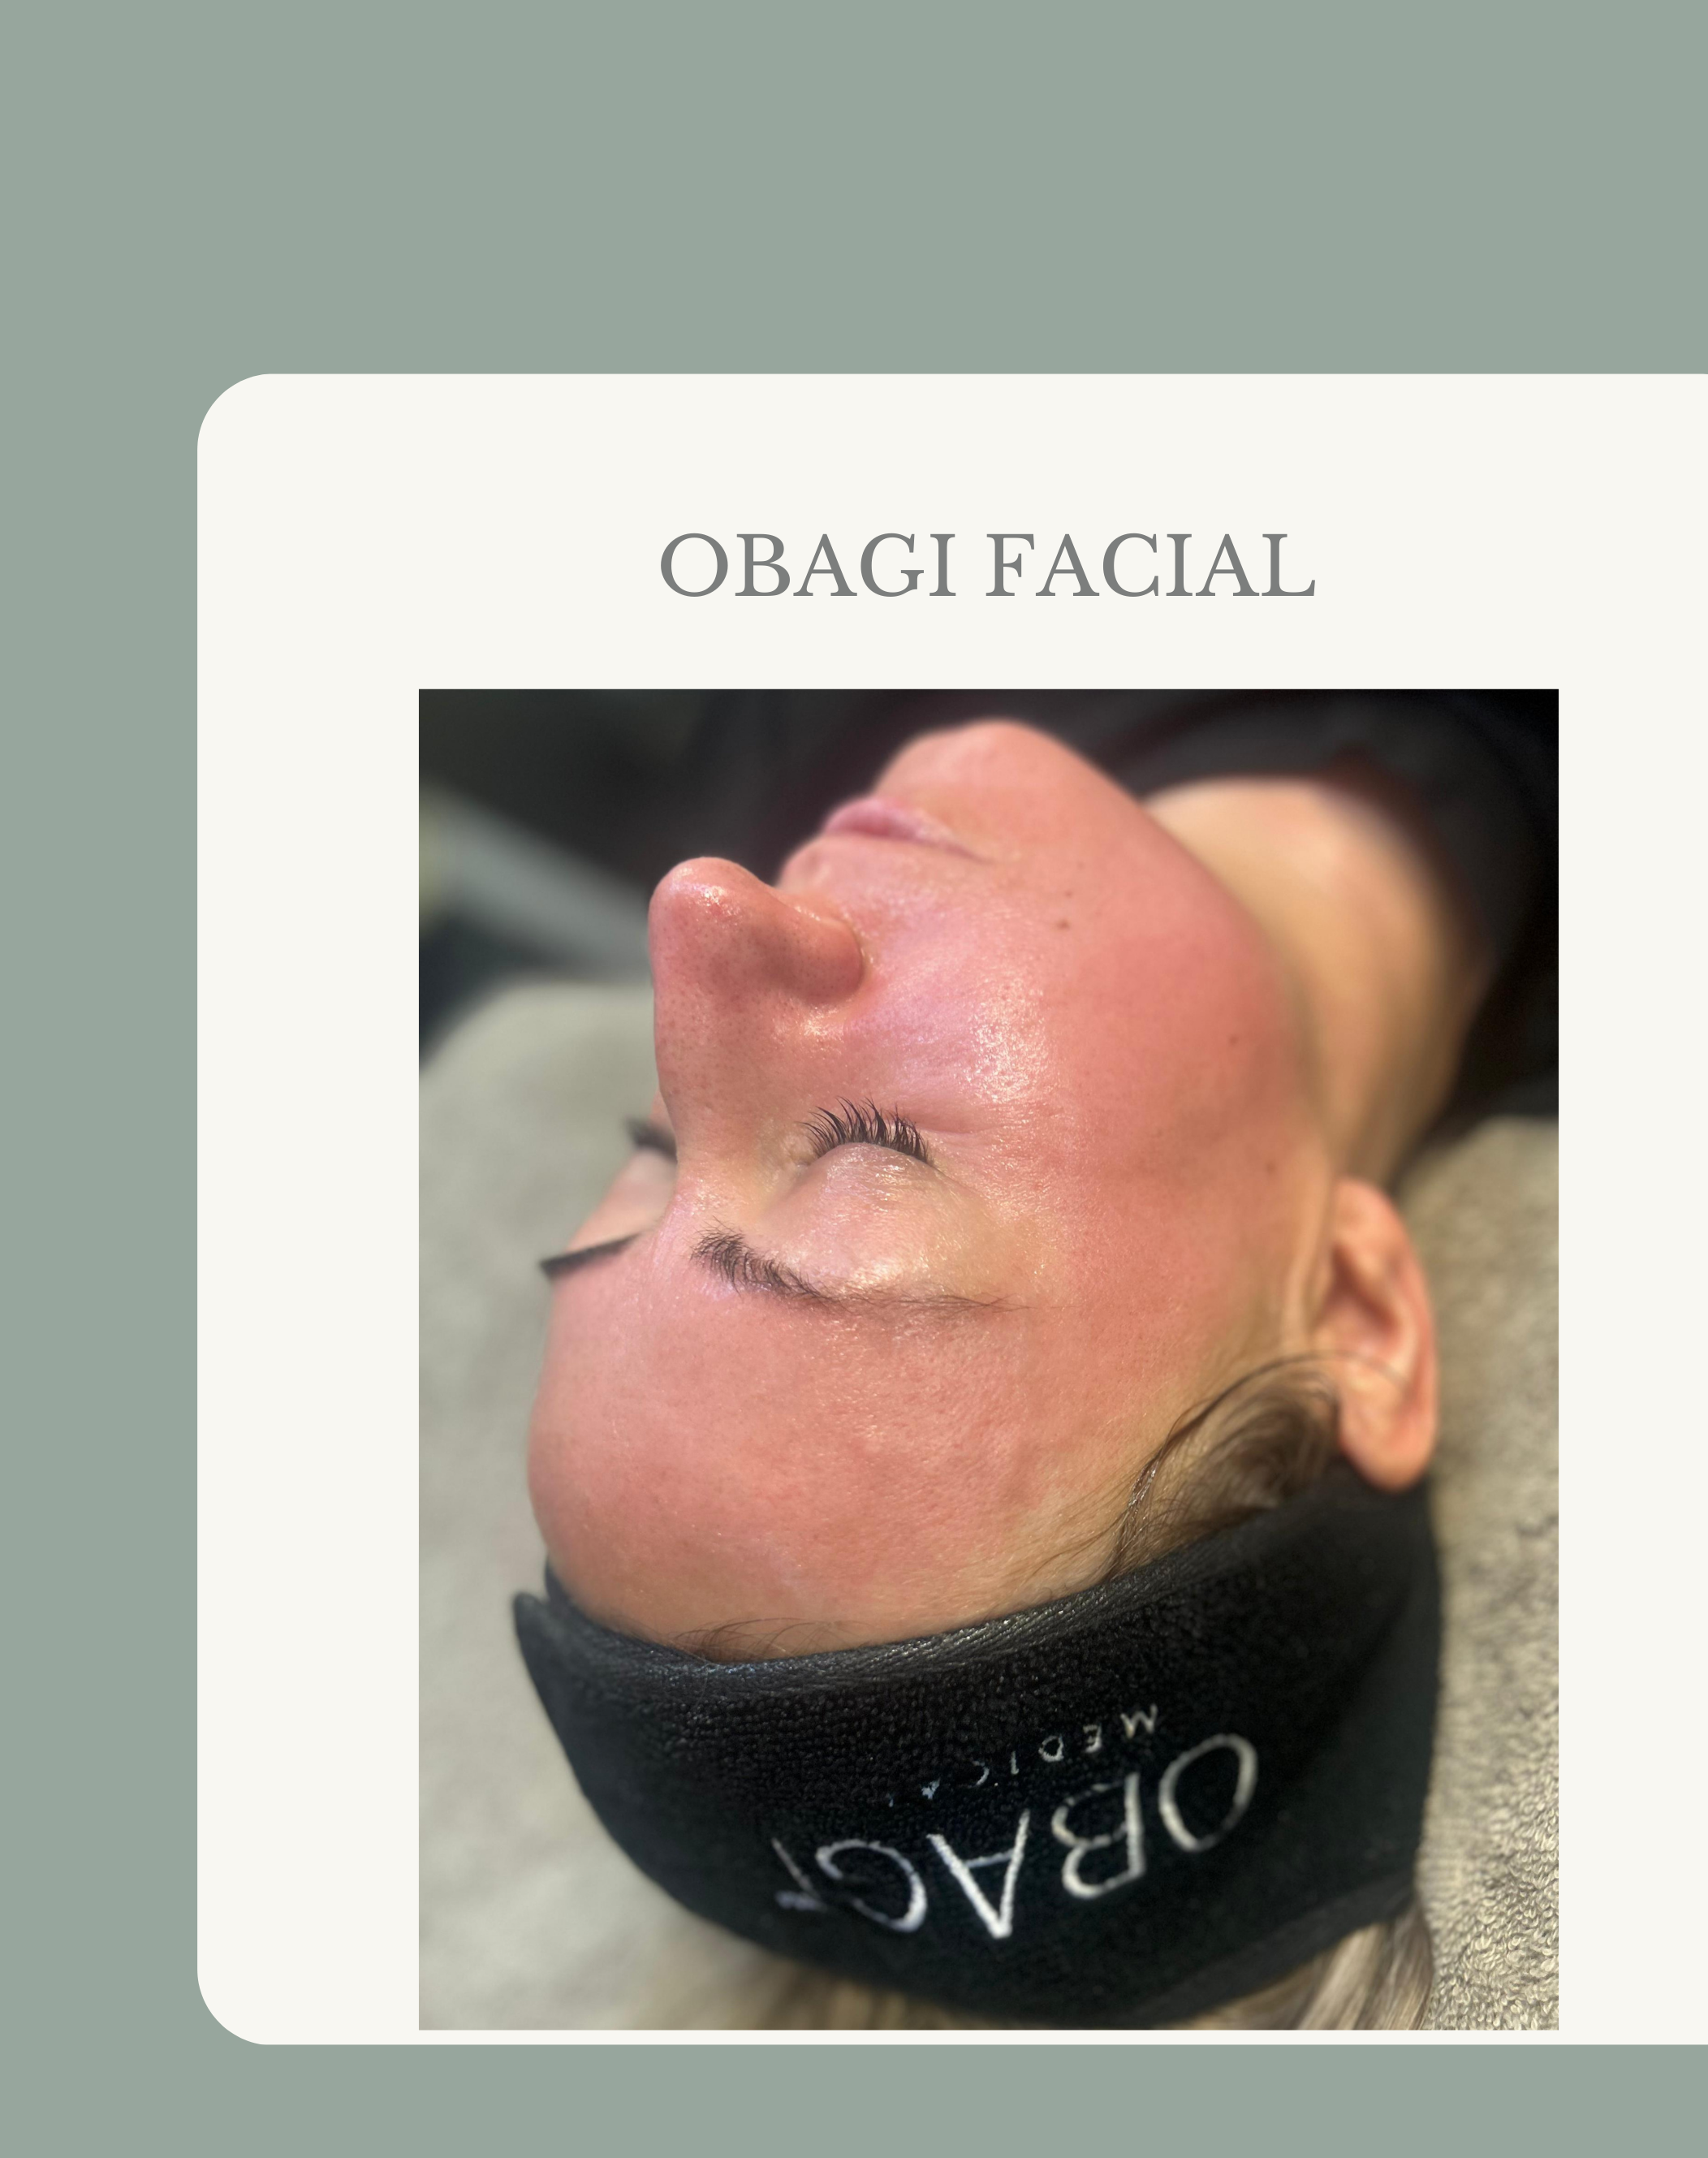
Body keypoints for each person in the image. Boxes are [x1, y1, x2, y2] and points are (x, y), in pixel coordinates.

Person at [516, 694, 1556, 2030]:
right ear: (1358, 1317)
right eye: (866, 1151)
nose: (699, 917)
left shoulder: (799, 724)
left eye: (654, 1151)